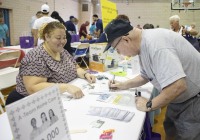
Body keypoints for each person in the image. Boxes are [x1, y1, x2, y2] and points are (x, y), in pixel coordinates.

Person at [104, 19, 200, 140]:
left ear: (126, 40)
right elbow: (145, 75)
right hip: (178, 99)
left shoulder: (156, 45)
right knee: (171, 130)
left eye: (116, 49)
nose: (120, 53)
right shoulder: (142, 46)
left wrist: (149, 104)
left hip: (193, 101)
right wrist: (123, 85)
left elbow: (178, 86)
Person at [6, 21, 96, 105]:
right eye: (58, 38)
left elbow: (76, 68)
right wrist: (66, 87)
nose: (63, 41)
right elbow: (33, 88)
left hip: (58, 99)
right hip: (29, 103)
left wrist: (85, 74)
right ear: (47, 37)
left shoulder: (62, 52)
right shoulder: (36, 57)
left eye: (64, 38)